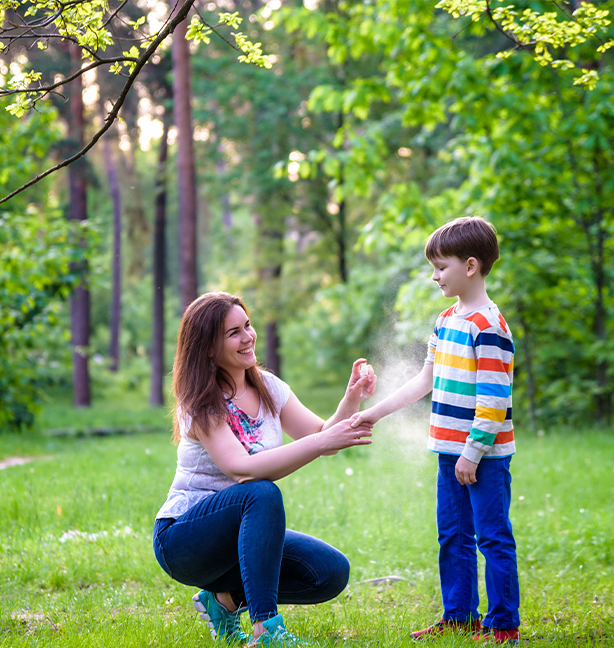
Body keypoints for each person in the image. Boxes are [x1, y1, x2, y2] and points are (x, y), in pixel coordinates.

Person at [153, 291, 377, 647]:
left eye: (248, 325)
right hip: (185, 540)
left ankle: (223, 600)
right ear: (209, 348)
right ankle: (267, 633)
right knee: (260, 492)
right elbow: (242, 470)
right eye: (233, 333)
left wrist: (351, 398)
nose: (248, 337)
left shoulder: (269, 387)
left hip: (238, 535)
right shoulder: (201, 402)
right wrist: (320, 445)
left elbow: (321, 434)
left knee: (329, 571)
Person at [350, 216, 520, 644]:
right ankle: (459, 616)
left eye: (440, 267)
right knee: (453, 536)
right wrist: (376, 413)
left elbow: (495, 399)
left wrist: (474, 451)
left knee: (493, 537)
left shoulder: (490, 328)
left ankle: (503, 627)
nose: (434, 275)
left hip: (483, 456)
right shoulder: (446, 321)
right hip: (449, 450)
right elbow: (424, 380)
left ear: (470, 266)